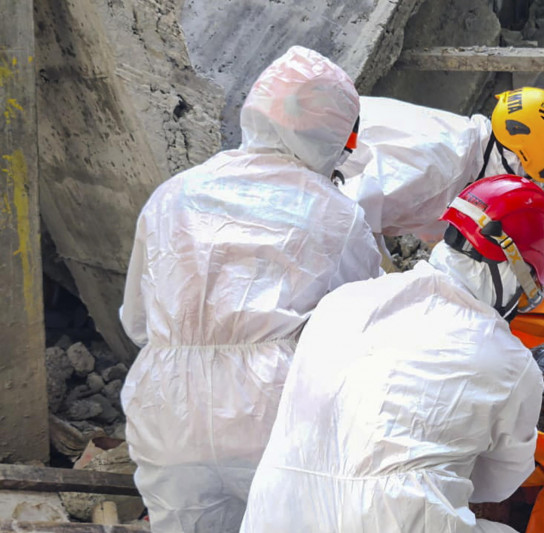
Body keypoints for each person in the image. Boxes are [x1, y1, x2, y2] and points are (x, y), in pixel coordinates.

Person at [118, 46, 382, 532]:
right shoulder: (338, 214)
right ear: (333, 136)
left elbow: (137, 321)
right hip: (274, 415)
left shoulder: (172, 194)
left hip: (167, 414)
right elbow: (364, 337)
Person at [240, 174, 544, 533]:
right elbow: (499, 483)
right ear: (514, 270)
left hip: (276, 516)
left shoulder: (344, 301)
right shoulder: (510, 363)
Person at [336, 87, 544, 254]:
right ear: (512, 157)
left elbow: (433, 225)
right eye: (525, 176)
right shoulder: (442, 172)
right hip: (316, 182)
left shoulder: (464, 142)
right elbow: (345, 216)